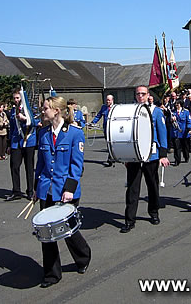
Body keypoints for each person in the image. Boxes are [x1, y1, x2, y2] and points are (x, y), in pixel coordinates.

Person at [34, 96, 91, 288]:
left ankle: (83, 256)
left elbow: (77, 164)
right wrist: (36, 188)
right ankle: (51, 274)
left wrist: (69, 189)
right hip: (46, 189)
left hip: (65, 190)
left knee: (67, 231)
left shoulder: (74, 133)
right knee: (46, 233)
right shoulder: (43, 133)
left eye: (45, 108)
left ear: (56, 111)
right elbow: (40, 163)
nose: (43, 111)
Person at [121, 85, 169, 232]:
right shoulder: (131, 110)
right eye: (138, 94)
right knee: (132, 189)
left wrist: (163, 155)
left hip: (151, 155)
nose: (140, 96)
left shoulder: (156, 111)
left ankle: (154, 213)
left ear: (148, 95)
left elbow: (162, 133)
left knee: (152, 186)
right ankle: (129, 220)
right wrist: (125, 154)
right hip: (134, 155)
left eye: (143, 94)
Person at [6, 89, 38, 201]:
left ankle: (30, 191)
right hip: (16, 142)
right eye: (14, 98)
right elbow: (12, 128)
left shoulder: (30, 109)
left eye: (18, 98)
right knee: (14, 166)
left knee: (29, 167)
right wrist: (9, 144)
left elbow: (37, 121)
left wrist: (25, 119)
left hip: (29, 140)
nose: (16, 100)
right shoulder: (13, 110)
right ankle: (16, 191)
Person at [91, 94, 114, 166]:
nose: (107, 101)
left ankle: (111, 158)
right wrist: (93, 122)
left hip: (113, 128)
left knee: (113, 143)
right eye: (107, 100)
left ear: (112, 100)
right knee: (108, 143)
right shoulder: (104, 107)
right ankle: (111, 157)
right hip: (106, 128)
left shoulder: (115, 108)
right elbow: (99, 116)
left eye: (109, 100)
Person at [171, 99, 191, 165]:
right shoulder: (172, 112)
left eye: (178, 104)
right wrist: (171, 120)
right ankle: (177, 160)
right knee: (177, 147)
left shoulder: (186, 112)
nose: (176, 105)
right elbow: (168, 121)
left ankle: (186, 157)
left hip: (184, 132)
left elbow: (189, 121)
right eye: (176, 104)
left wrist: (189, 129)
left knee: (185, 146)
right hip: (176, 132)